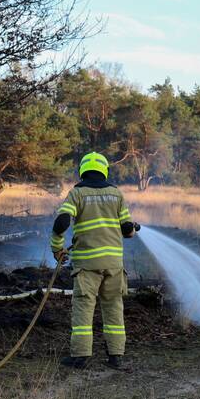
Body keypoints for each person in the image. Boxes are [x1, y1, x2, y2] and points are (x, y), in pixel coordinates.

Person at [50, 152, 138, 371]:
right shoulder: (116, 194)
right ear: (104, 170)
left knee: (83, 308)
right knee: (114, 308)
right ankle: (116, 356)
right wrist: (133, 229)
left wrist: (57, 248)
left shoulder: (77, 193)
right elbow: (127, 230)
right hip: (113, 265)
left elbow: (62, 221)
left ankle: (80, 356)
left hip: (87, 265)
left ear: (83, 170)